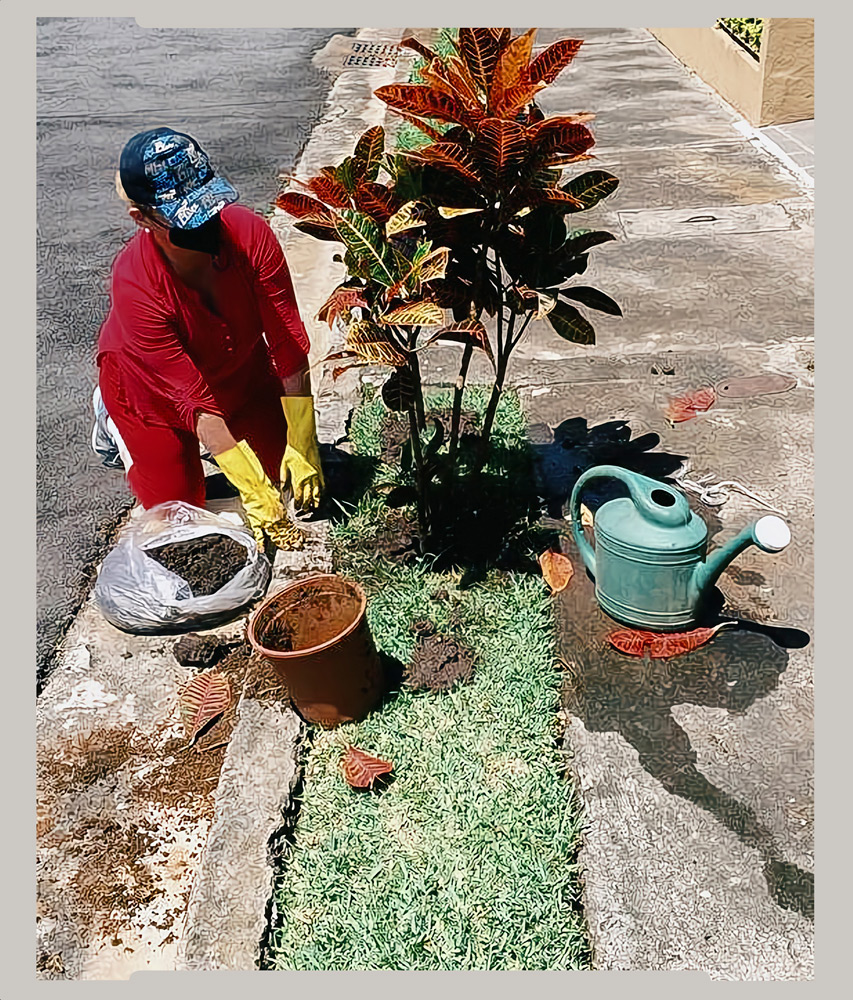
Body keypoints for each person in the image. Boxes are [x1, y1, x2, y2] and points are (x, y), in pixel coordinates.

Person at [95, 126, 324, 550]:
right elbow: (192, 401)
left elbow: (288, 341)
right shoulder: (136, 285)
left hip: (236, 367)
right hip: (153, 392)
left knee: (284, 478)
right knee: (182, 514)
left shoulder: (251, 236)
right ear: (142, 218)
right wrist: (248, 486)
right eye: (185, 217)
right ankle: (114, 424)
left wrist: (303, 438)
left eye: (206, 206)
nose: (204, 224)